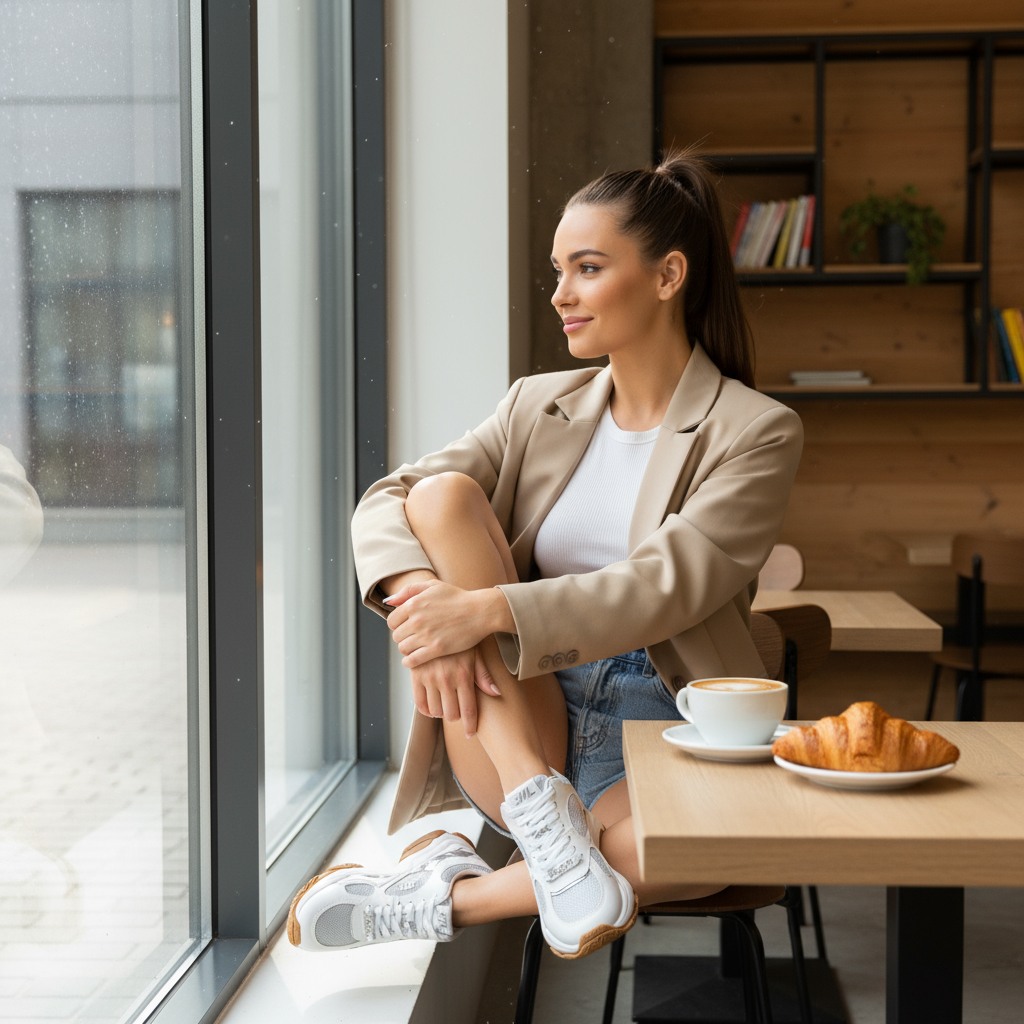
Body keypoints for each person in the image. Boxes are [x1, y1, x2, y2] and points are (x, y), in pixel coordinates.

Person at [287, 149, 804, 961]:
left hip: (663, 724)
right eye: (558, 271)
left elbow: (668, 584)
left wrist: (483, 610)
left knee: (681, 851)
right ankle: (538, 804)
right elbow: (387, 499)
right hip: (517, 714)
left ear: (668, 276)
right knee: (439, 497)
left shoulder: (756, 431)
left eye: (587, 268)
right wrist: (424, 604)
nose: (561, 294)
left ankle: (443, 900)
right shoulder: (538, 404)